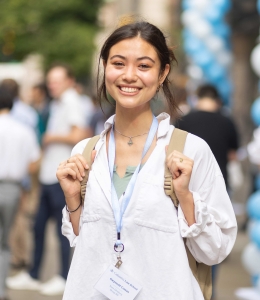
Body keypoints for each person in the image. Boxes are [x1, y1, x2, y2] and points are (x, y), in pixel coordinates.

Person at [56, 20, 237, 299]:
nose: (129, 75)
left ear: (162, 73)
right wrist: (73, 200)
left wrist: (185, 197)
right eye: (118, 63)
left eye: (143, 66)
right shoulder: (85, 152)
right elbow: (88, 245)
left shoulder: (191, 150)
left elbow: (215, 251)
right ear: (105, 66)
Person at [7, 64, 87, 296]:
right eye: (50, 81)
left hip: (60, 177)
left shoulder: (71, 100)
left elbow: (79, 134)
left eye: (57, 81)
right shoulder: (58, 102)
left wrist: (52, 137)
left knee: (62, 231)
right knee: (40, 227)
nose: (52, 85)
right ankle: (34, 274)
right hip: (49, 174)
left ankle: (63, 276)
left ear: (69, 81)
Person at [176, 84, 239, 299]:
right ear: (217, 100)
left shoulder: (185, 120)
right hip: (218, 185)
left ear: (198, 97)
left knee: (186, 243)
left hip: (184, 187)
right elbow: (233, 153)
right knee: (215, 239)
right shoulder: (227, 121)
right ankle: (208, 289)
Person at [0, 86, 40, 300]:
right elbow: (33, 163)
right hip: (12, 188)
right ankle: (2, 289)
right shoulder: (23, 130)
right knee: (4, 243)